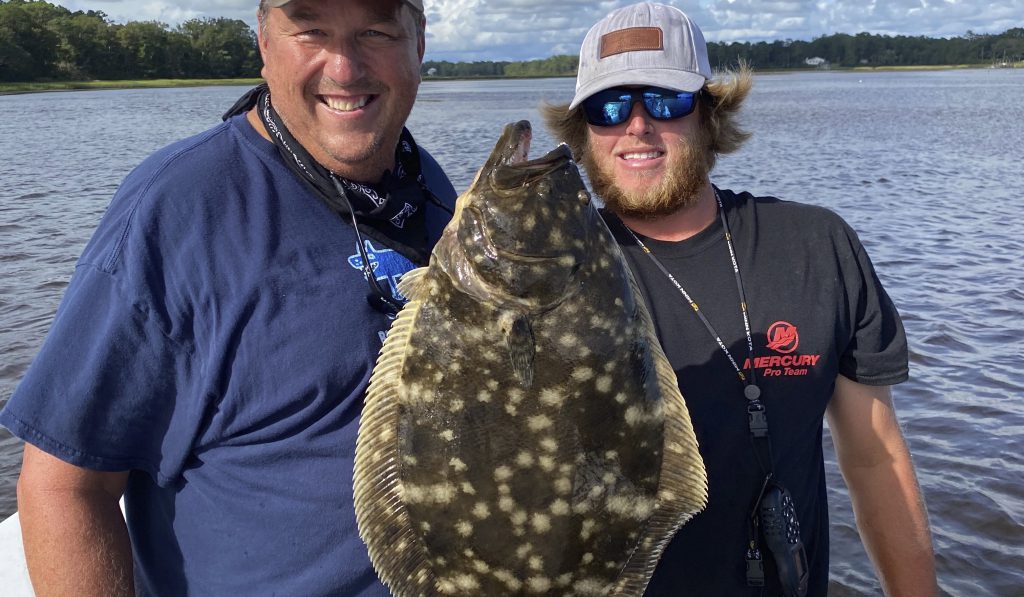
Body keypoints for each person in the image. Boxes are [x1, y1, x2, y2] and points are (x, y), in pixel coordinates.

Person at [0, 1, 456, 595]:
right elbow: (63, 484)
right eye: (311, 31)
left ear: (418, 43)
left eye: (375, 31)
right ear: (265, 45)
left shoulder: (428, 188)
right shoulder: (178, 207)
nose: (344, 68)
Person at [543, 3, 938, 596]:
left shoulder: (816, 245)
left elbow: (874, 457)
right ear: (583, 130)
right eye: (609, 106)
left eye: (666, 100)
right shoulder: (546, 274)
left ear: (710, 113)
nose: (637, 126)